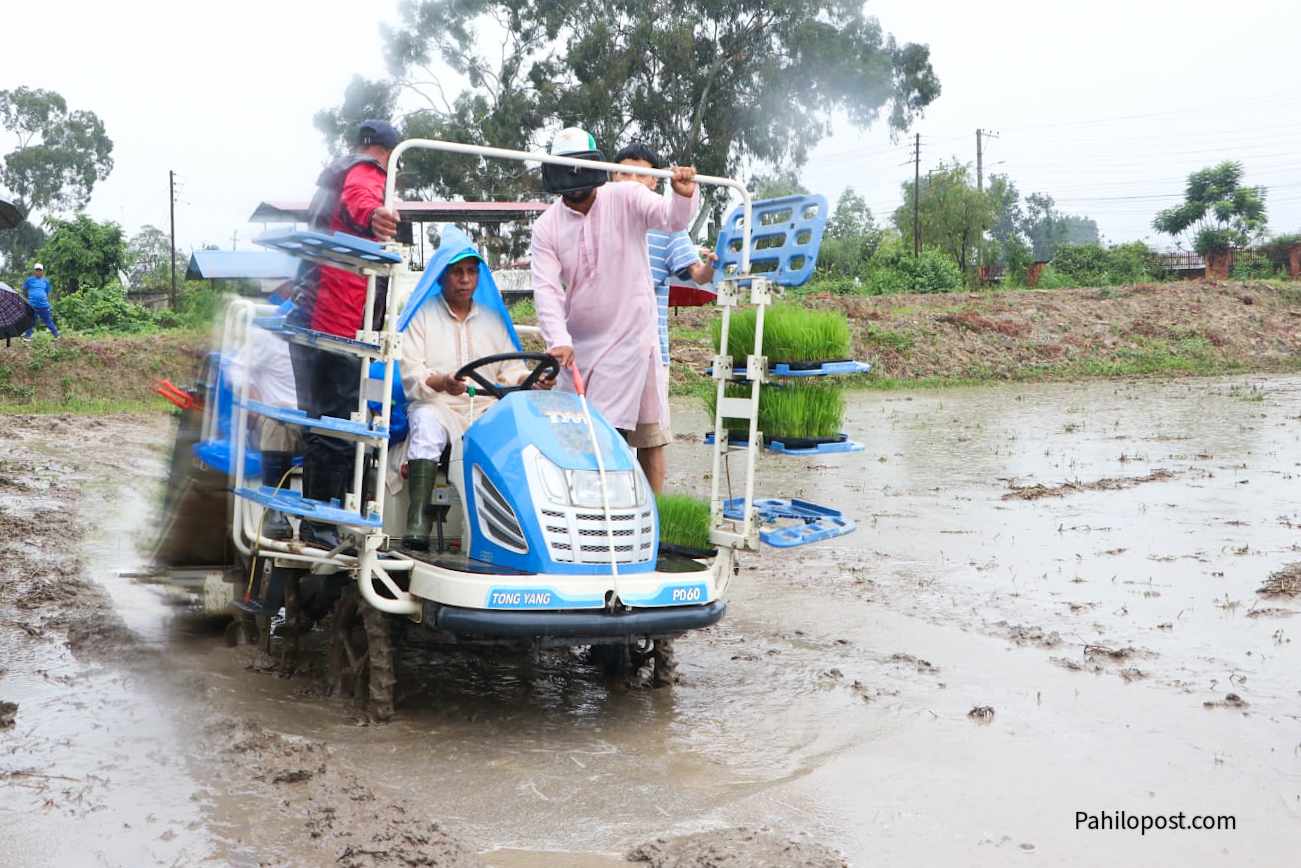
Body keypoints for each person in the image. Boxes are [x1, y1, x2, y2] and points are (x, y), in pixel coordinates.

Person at [530, 128, 700, 462]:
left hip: (627, 335)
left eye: (580, 172)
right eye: (565, 173)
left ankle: (610, 508)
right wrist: (558, 339)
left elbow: (672, 218)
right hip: (576, 343)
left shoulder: (626, 196)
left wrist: (682, 194)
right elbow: (547, 290)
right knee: (571, 433)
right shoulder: (546, 226)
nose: (575, 184)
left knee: (605, 432)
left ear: (595, 169)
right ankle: (576, 509)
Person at [399, 226, 551, 549]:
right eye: (457, 272)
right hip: (438, 405)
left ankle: (516, 533)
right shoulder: (422, 318)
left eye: (471, 271)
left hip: (483, 408)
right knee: (425, 423)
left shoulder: (492, 321)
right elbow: (411, 374)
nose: (465, 279)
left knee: (517, 432)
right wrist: (442, 381)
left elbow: (512, 371)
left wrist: (531, 380)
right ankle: (417, 522)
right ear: (441, 277)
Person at [291, 119, 402, 547]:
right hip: (341, 317)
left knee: (321, 420)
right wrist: (376, 217)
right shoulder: (366, 173)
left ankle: (317, 518)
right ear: (388, 155)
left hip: (315, 312)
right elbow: (364, 202)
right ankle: (321, 523)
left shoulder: (332, 177)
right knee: (338, 422)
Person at [611, 142, 717, 493]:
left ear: (654, 183)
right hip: (604, 353)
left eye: (640, 174)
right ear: (611, 177)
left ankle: (654, 518)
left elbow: (697, 274)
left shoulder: (666, 226)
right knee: (604, 440)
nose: (629, 181)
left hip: (648, 352)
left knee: (650, 440)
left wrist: (713, 265)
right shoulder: (598, 219)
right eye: (623, 172)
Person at [22, 263, 59, 339]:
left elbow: (48, 292)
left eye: (40, 270)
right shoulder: (29, 280)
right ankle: (27, 336)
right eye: (37, 270)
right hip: (32, 305)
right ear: (34, 271)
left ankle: (56, 335)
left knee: (48, 321)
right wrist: (27, 299)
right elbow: (24, 289)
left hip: (44, 306)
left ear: (42, 271)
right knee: (30, 321)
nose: (38, 272)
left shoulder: (46, 281)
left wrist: (47, 301)